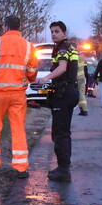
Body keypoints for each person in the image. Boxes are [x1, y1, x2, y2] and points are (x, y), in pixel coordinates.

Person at [0, 15, 37, 178]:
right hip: (18, 94)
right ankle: (20, 168)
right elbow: (32, 72)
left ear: (6, 26)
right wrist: (29, 79)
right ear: (20, 27)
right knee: (18, 129)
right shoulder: (29, 46)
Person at [36, 20, 80, 182]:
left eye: (57, 31)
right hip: (69, 92)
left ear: (64, 33)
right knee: (62, 132)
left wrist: (46, 77)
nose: (54, 34)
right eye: (52, 32)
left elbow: (62, 68)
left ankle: (63, 171)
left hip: (64, 93)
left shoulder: (62, 47)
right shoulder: (70, 47)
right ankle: (62, 168)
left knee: (60, 133)